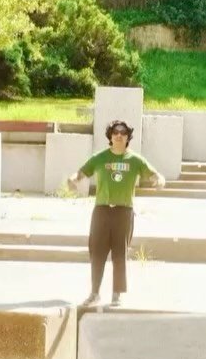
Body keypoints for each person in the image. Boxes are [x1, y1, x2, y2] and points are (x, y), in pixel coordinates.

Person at [67, 120, 165, 309]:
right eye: (115, 132)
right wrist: (73, 179)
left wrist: (159, 179)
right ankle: (94, 293)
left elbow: (154, 174)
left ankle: (117, 294)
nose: (119, 135)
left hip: (124, 211)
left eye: (123, 132)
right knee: (97, 252)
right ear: (110, 136)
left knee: (120, 253)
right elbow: (81, 173)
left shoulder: (135, 160)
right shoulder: (99, 158)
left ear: (128, 137)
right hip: (102, 210)